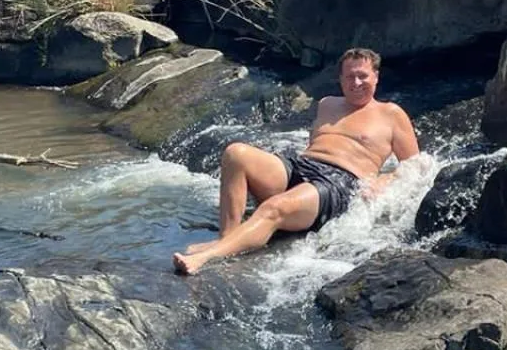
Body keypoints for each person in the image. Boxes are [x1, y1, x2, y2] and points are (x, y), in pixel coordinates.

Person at [173, 47, 419, 275]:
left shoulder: (391, 114)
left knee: (273, 208)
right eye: (350, 77)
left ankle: (209, 257)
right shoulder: (327, 104)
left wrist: (383, 180)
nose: (356, 83)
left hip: (339, 183)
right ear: (341, 79)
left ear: (376, 76)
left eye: (363, 76)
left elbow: (416, 166)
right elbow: (317, 146)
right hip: (302, 166)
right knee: (236, 153)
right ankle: (227, 236)